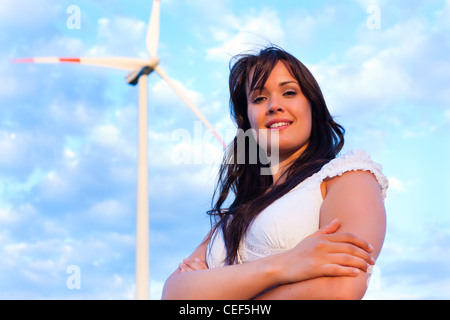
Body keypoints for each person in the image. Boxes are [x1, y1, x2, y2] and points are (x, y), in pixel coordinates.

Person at [161, 46, 388, 300]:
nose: (274, 106)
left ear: (312, 106)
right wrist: (286, 264)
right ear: (246, 120)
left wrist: (212, 288)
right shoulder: (232, 219)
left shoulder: (346, 177)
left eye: (289, 92)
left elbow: (340, 289)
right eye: (259, 99)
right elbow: (173, 294)